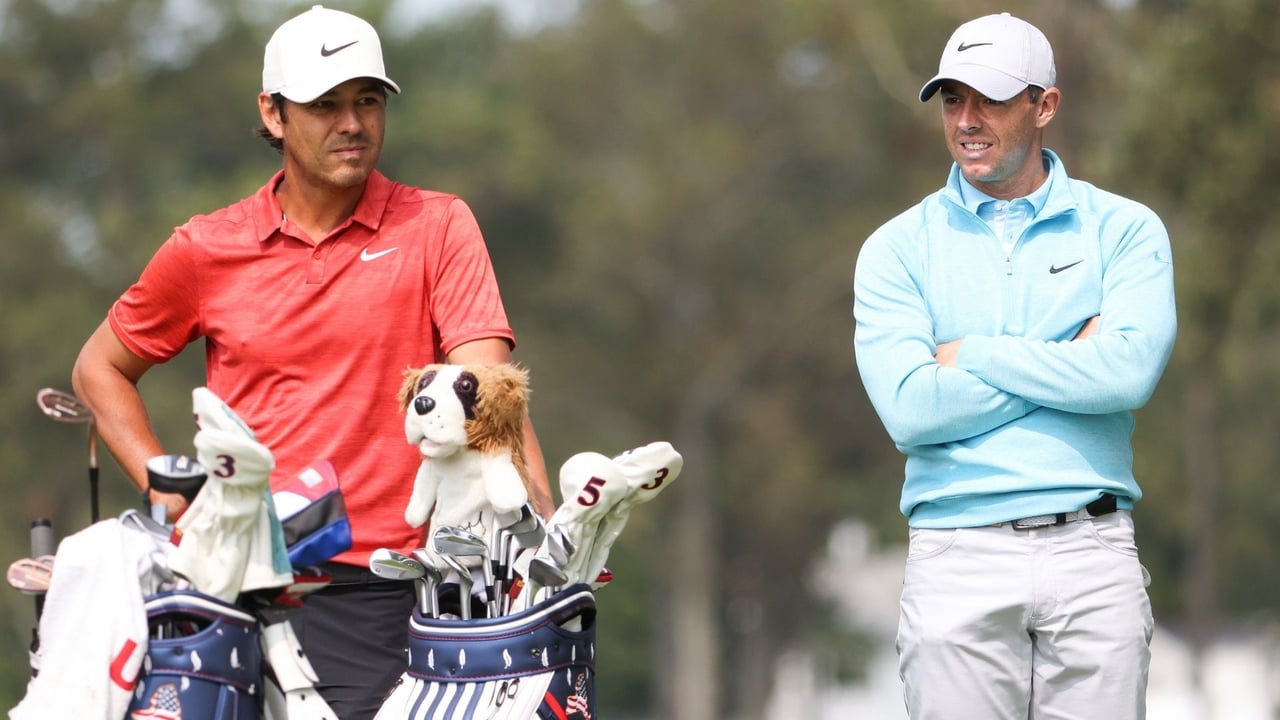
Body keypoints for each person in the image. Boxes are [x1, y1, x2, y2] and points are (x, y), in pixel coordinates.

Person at [71, 5, 554, 717]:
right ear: (272, 114)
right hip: (244, 588)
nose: (352, 124)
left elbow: (483, 396)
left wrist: (540, 523)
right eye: (325, 105)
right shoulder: (208, 248)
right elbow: (98, 369)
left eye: (366, 101)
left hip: (393, 592)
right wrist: (170, 491)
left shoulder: (437, 226)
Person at [852, 12, 1176, 720]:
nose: (967, 120)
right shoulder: (895, 248)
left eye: (991, 99)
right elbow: (912, 411)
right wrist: (1071, 357)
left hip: (1092, 552)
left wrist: (974, 354)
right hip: (956, 555)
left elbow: (1127, 377)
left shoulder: (1124, 229)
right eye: (952, 100)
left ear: (1045, 105)